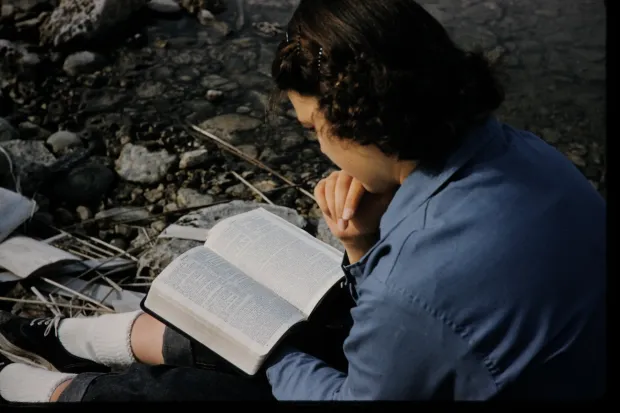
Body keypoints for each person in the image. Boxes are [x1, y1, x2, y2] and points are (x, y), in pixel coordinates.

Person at [0, 0, 606, 402]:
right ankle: (83, 341)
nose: (319, 147)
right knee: (284, 321)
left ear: (363, 123)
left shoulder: (410, 289)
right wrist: (362, 246)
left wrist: (276, 352)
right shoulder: (529, 155)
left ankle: (49, 391)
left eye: (314, 127)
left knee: (209, 385)